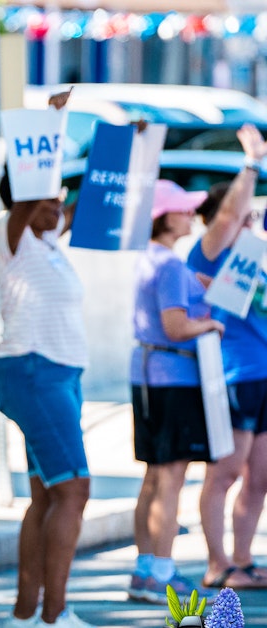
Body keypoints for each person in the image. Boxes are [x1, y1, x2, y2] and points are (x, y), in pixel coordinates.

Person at [0, 166, 92, 627]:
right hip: (34, 372)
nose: (58, 206)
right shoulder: (11, 235)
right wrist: (50, 129)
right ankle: (55, 615)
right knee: (74, 490)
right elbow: (31, 199)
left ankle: (26, 614)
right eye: (47, 199)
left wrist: (132, 145)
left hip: (58, 375)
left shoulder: (48, 243)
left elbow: (87, 200)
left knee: (47, 496)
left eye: (59, 199)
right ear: (27, 201)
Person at [126, 180, 224, 603]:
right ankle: (162, 573)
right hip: (173, 378)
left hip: (150, 376)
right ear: (163, 218)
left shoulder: (157, 260)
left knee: (154, 476)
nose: (191, 216)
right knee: (170, 478)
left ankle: (146, 569)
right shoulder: (167, 264)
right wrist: (210, 324)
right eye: (183, 210)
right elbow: (176, 325)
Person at [186, 124, 267, 590]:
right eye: (242, 216)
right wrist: (252, 162)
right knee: (227, 471)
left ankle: (242, 559)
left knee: (260, 475)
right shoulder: (210, 252)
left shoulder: (254, 254)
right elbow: (229, 215)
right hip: (236, 372)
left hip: (263, 374)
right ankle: (217, 563)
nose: (249, 220)